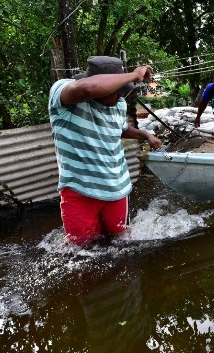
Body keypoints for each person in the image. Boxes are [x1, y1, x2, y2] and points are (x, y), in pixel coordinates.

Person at [48, 55, 163, 245]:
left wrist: (146, 135)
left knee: (122, 242)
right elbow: (88, 88)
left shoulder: (118, 104)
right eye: (115, 90)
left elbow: (120, 128)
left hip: (116, 187)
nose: (120, 96)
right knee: (80, 250)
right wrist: (134, 74)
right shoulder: (64, 95)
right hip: (79, 190)